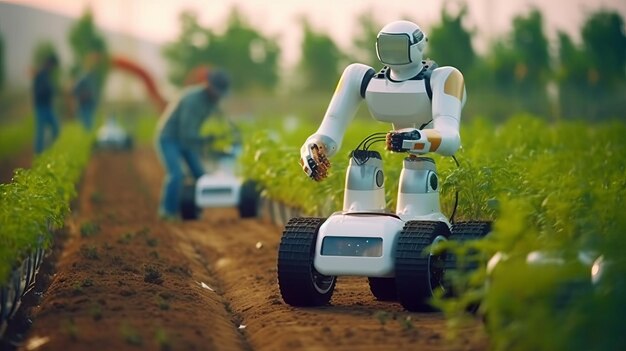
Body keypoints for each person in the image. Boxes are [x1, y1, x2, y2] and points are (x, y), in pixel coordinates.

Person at [299, 20, 466, 214]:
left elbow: (450, 138)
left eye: (399, 46)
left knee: (418, 175)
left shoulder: (445, 78)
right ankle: (358, 216)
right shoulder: (358, 77)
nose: (393, 52)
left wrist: (416, 139)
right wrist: (314, 149)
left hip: (423, 147)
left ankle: (420, 223)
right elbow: (331, 126)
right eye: (388, 46)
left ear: (419, 45)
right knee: (361, 167)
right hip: (410, 140)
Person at [155, 68, 231, 220]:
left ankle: (192, 211)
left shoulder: (211, 101)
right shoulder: (192, 100)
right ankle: (167, 212)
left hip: (187, 140)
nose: (218, 96)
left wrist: (224, 134)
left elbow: (221, 120)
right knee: (176, 174)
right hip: (169, 138)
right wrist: (207, 141)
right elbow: (186, 132)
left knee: (200, 176)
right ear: (208, 85)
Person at [32, 54, 60, 154]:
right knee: (40, 131)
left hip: (48, 107)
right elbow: (38, 91)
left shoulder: (47, 75)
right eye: (53, 66)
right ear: (49, 63)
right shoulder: (40, 75)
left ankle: (49, 150)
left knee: (56, 128)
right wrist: (49, 90)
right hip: (41, 107)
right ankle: (38, 154)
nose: (53, 68)